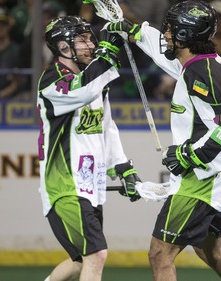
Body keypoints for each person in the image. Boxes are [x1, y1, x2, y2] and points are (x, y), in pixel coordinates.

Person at [105, 1, 221, 280]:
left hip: (202, 182)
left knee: (160, 254)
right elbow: (164, 55)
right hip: (216, 177)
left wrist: (190, 155)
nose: (166, 34)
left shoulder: (202, 73)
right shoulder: (198, 65)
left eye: (170, 29)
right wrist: (133, 31)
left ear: (184, 35)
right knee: (210, 251)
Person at [38, 15, 142, 281]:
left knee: (79, 260)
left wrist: (122, 166)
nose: (91, 44)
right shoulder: (52, 80)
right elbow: (82, 90)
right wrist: (107, 55)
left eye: (90, 38)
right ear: (62, 47)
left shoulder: (94, 82)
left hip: (89, 184)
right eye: (82, 40)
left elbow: (107, 126)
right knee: (96, 255)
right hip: (66, 185)